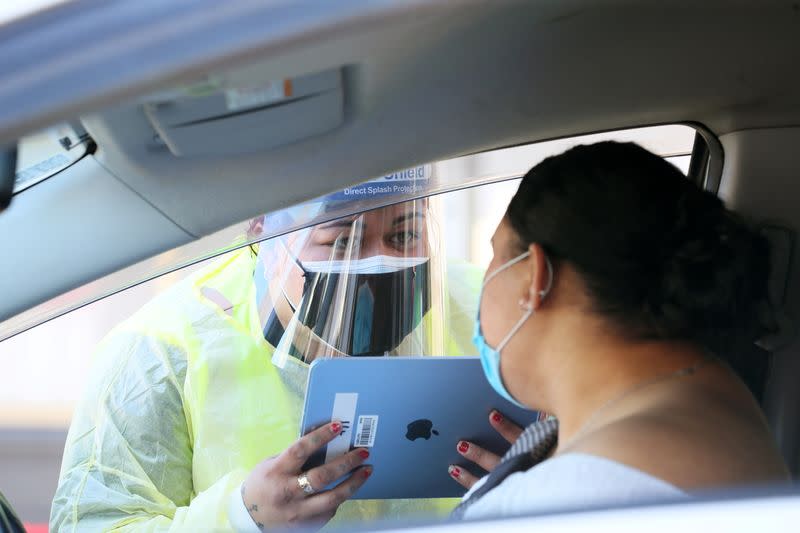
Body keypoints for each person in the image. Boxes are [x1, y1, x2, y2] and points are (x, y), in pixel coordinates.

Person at [50, 191, 482, 531]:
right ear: (262, 229)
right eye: (342, 241)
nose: (374, 261)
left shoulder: (482, 305)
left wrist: (524, 482)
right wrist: (242, 518)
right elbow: (95, 523)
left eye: (405, 235)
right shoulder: (159, 352)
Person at [446, 141, 790, 520]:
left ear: (534, 276)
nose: (485, 281)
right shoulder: (711, 397)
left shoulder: (576, 496)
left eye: (495, 257)